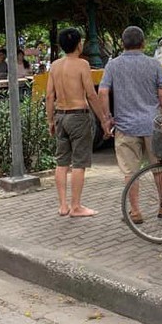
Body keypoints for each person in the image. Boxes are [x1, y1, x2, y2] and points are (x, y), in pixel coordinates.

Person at [98, 26, 162, 224]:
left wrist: (107, 118)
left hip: (125, 126)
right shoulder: (154, 64)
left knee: (130, 172)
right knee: (158, 167)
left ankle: (135, 211)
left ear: (123, 44)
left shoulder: (113, 66)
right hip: (152, 125)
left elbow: (103, 92)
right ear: (143, 43)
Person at [46, 28, 110, 218]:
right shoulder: (82, 64)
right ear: (79, 44)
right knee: (79, 163)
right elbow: (91, 94)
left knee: (61, 162)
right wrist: (103, 119)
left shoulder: (55, 66)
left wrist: (50, 119)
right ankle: (76, 207)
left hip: (60, 115)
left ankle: (63, 206)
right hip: (78, 116)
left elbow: (50, 95)